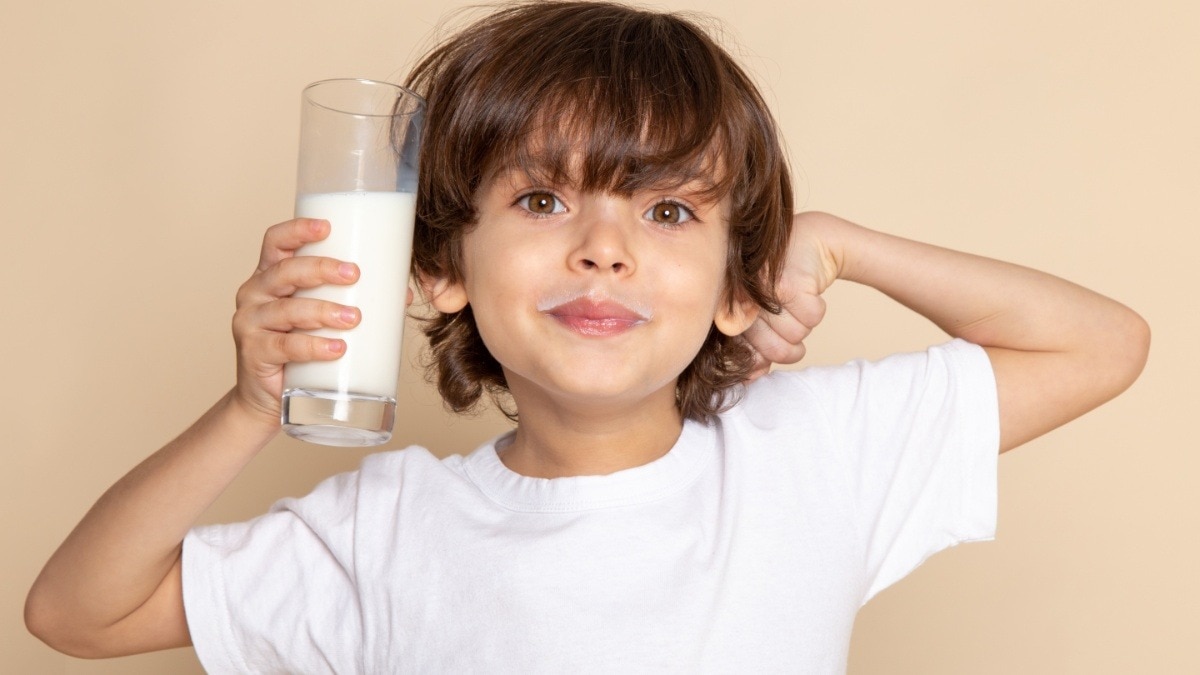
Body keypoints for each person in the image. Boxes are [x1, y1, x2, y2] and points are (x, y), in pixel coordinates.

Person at [25, 1, 1149, 672]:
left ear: (736, 286)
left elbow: (1098, 345)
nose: (603, 248)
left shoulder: (812, 455)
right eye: (542, 202)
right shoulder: (386, 527)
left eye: (667, 212)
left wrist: (838, 239)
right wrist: (245, 408)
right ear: (437, 269)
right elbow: (75, 612)